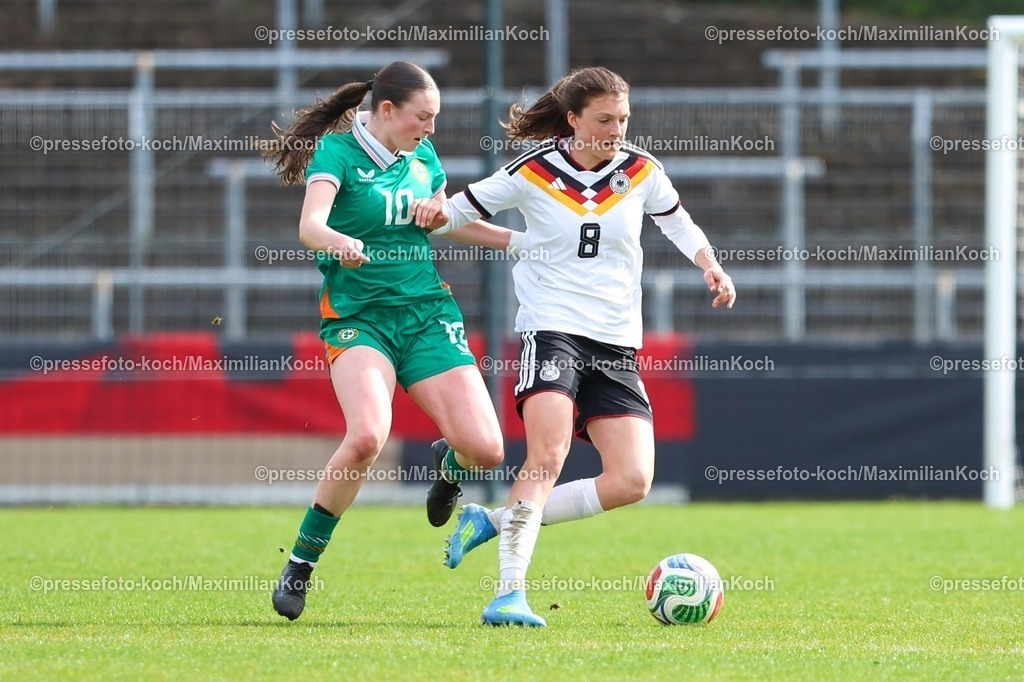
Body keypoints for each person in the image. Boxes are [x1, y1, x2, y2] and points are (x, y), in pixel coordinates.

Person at [411, 66, 736, 627]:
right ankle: (508, 595)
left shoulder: (641, 171)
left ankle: (490, 521)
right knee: (548, 455)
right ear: (573, 119)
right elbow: (453, 216)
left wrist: (711, 265)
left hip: (616, 342)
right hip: (552, 329)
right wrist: (435, 211)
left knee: (632, 480)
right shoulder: (533, 171)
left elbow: (677, 221)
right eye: (604, 120)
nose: (616, 130)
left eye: (623, 119)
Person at [262, 61, 513, 621]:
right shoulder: (337, 153)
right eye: (423, 117)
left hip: (426, 314)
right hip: (360, 319)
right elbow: (310, 227)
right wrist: (338, 241)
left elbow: (448, 220)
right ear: (387, 111)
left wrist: (516, 241)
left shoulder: (423, 156)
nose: (431, 129)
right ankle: (301, 563)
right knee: (367, 436)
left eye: (436, 119)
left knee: (486, 451)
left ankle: (449, 467)